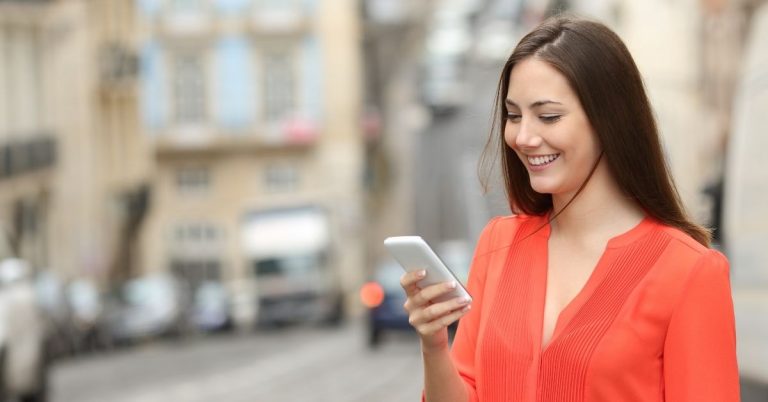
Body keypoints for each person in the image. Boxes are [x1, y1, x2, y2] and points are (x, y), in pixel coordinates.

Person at [400, 15, 740, 402]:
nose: (523, 137)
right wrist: (434, 344)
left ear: (609, 121)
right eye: (513, 115)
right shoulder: (498, 244)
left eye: (548, 116)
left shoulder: (690, 271)